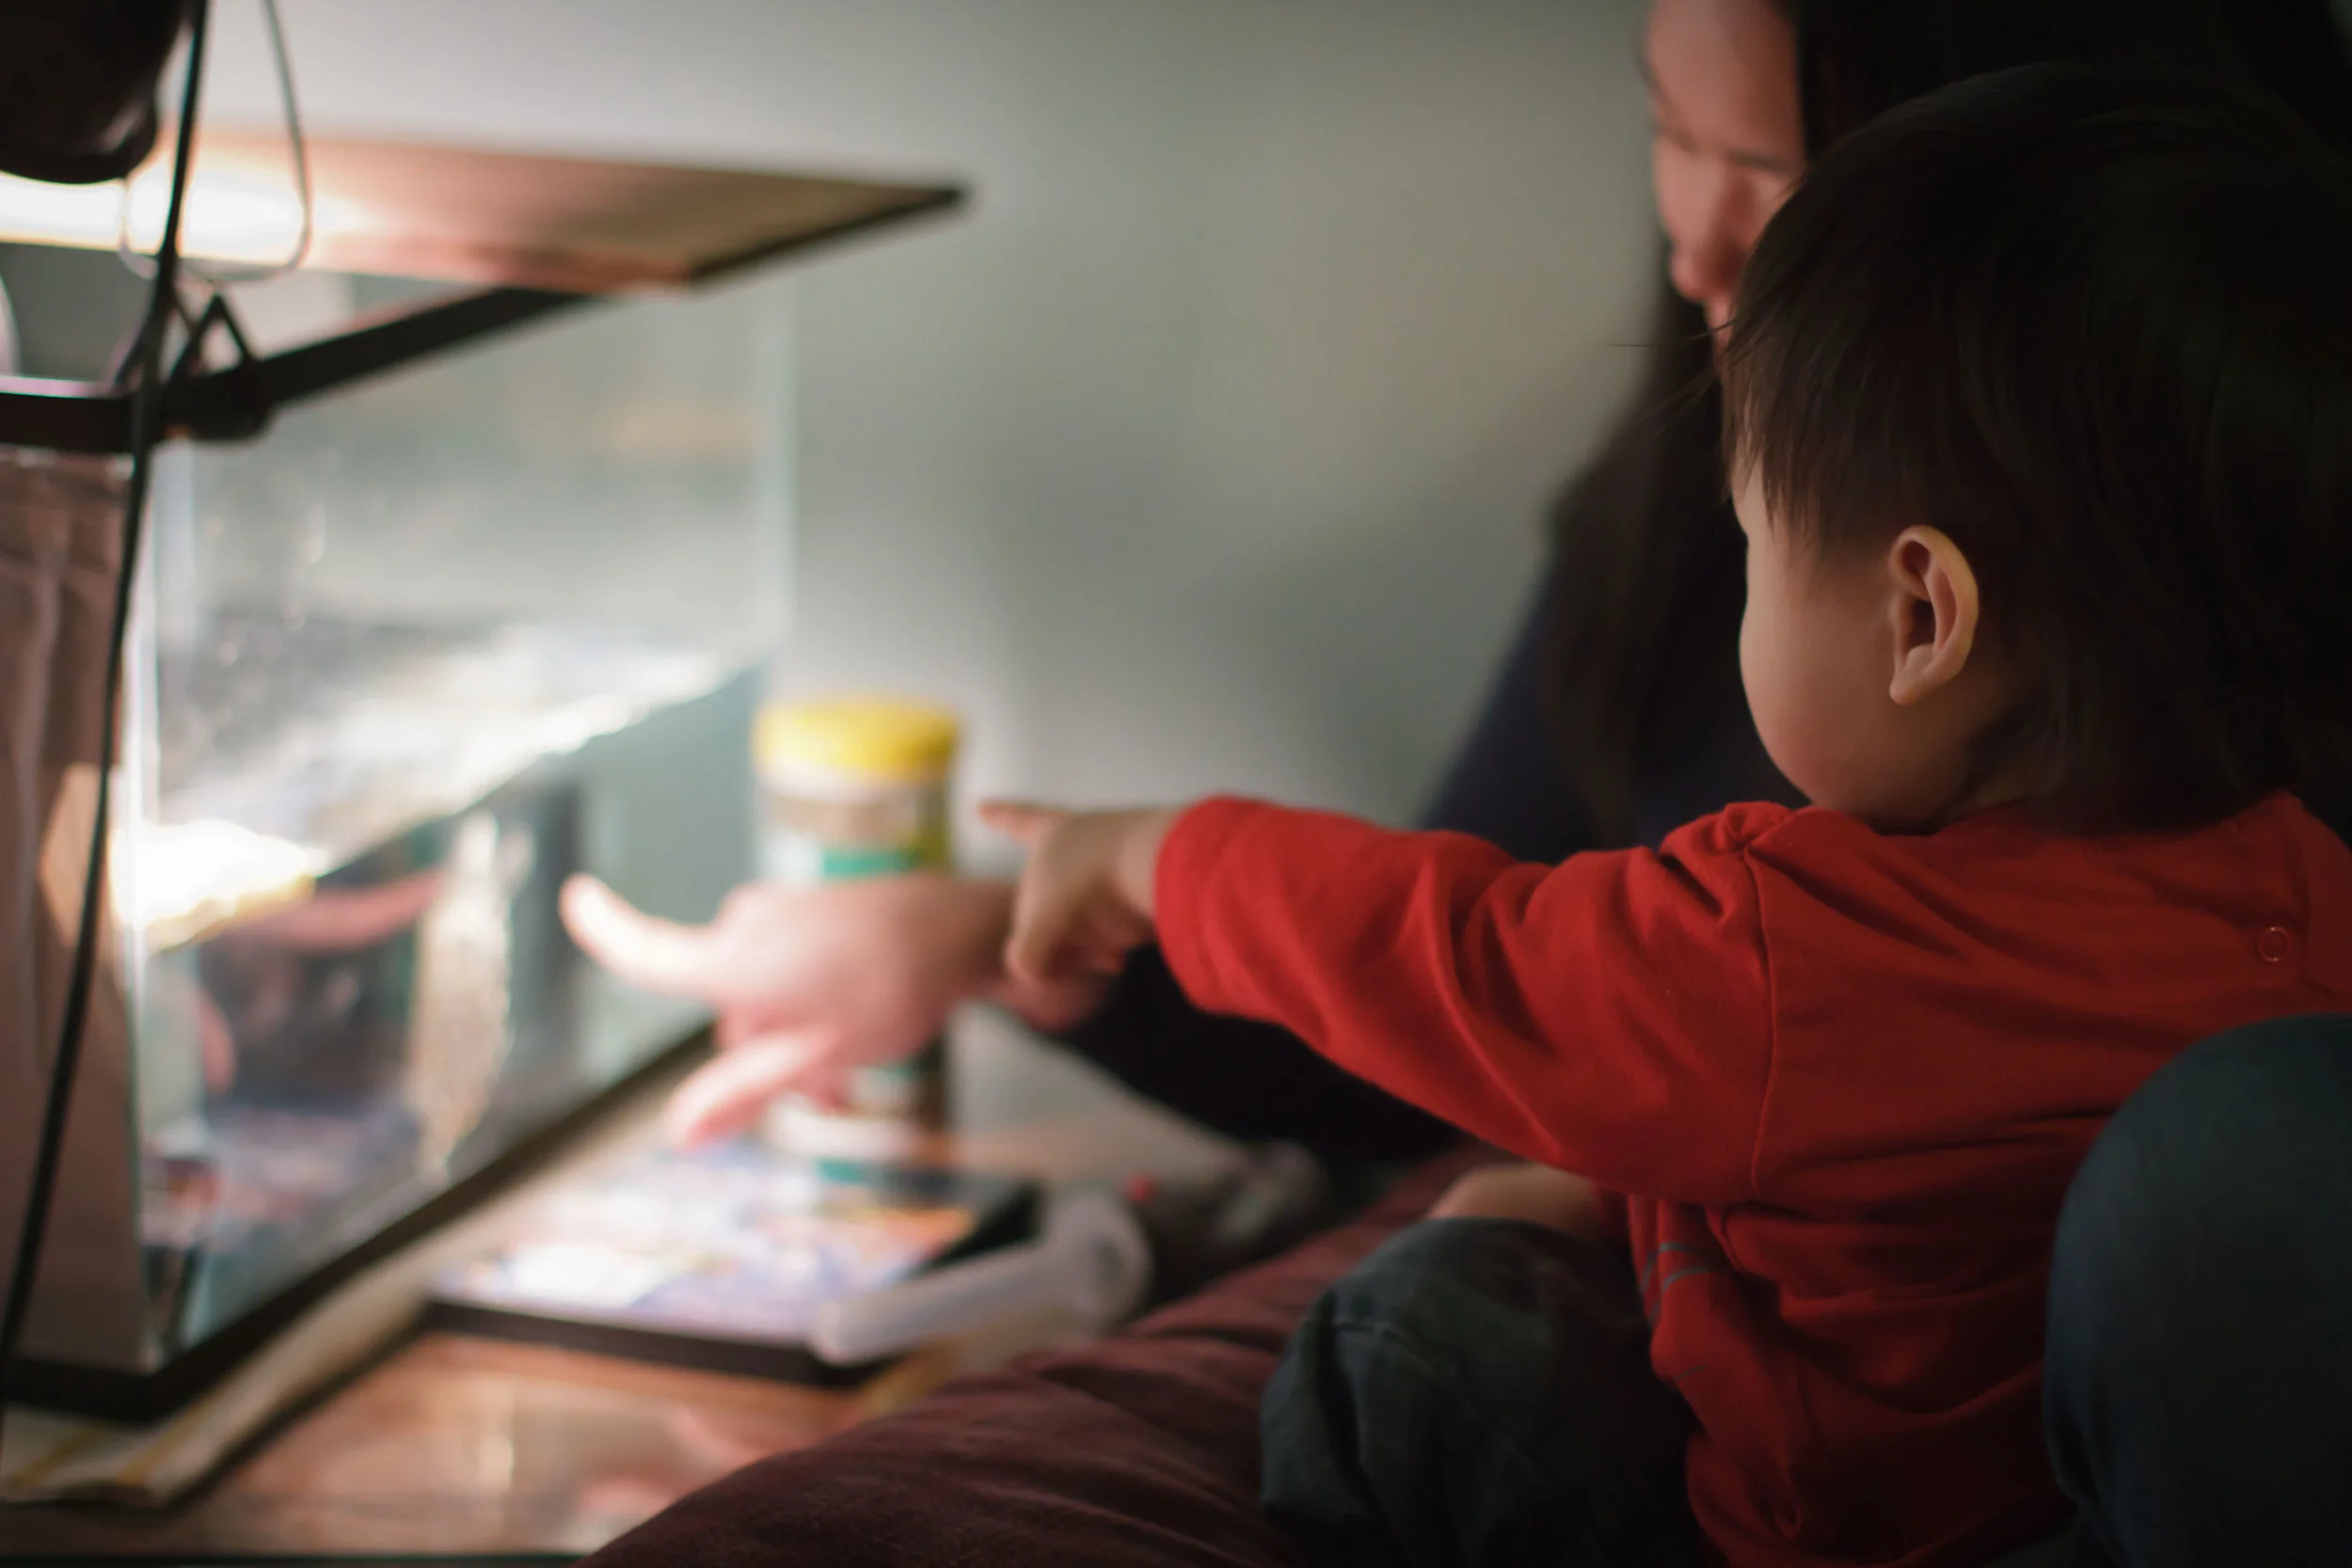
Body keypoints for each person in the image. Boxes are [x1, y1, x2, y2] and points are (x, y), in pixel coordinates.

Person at [560, 2, 2352, 1561]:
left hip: (1814, 1527)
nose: (1695, 248)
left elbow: (1477, 956)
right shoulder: (2297, 887)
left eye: (1763, 164)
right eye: (1665, 133)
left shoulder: (1783, 939)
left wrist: (1166, 858)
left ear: (1920, 615)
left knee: (1420, 1335)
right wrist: (986, 934)